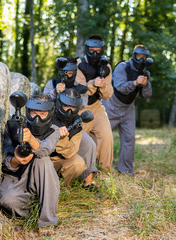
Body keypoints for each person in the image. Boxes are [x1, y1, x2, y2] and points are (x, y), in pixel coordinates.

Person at [0, 93, 61, 228]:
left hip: (39, 176)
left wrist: (31, 139)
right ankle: (37, 209)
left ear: (49, 114)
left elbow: (46, 149)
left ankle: (47, 221)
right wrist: (15, 160)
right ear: (28, 112)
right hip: (15, 178)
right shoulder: (12, 126)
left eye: (42, 114)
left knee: (42, 159)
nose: (37, 118)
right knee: (7, 201)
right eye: (33, 113)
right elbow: (4, 160)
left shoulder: (53, 130)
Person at [44, 58, 98, 189]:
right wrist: (56, 93)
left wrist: (71, 93)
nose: (67, 75)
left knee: (89, 144)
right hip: (52, 122)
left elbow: (83, 103)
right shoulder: (52, 84)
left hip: (71, 123)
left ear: (75, 72)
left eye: (70, 73)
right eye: (65, 72)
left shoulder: (79, 86)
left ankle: (88, 181)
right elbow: (43, 102)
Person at [102, 45, 153, 175]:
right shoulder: (122, 67)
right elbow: (120, 87)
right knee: (102, 136)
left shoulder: (145, 72)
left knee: (129, 139)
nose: (141, 59)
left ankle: (125, 170)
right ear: (134, 55)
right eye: (139, 56)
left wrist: (145, 84)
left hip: (128, 109)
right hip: (111, 106)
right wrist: (135, 83)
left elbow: (146, 95)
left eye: (144, 57)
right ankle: (98, 167)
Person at [75, 35, 114, 175]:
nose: (95, 54)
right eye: (92, 50)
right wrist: (92, 84)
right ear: (87, 49)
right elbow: (79, 92)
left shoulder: (106, 66)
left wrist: (102, 85)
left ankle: (104, 174)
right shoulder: (79, 64)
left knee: (107, 136)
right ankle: (83, 174)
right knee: (79, 139)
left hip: (97, 106)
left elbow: (108, 95)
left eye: (98, 50)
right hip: (80, 107)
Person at [50, 88, 89, 187]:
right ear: (59, 104)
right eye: (66, 106)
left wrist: (62, 139)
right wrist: (55, 131)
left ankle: (60, 187)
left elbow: (71, 152)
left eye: (73, 107)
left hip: (59, 160)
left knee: (78, 163)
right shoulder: (48, 114)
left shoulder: (77, 124)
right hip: (44, 159)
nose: (69, 110)